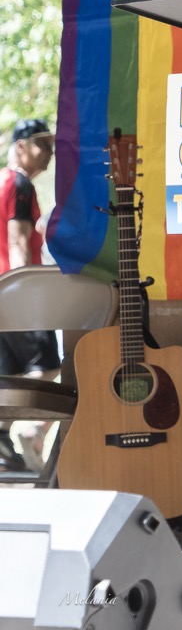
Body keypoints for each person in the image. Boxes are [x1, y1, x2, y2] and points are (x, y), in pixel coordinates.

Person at [0, 117, 60, 473]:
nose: (50, 151)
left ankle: (3, 437)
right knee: (49, 365)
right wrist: (24, 294)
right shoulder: (19, 184)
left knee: (10, 373)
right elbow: (18, 242)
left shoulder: (2, 181)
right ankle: (33, 430)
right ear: (20, 147)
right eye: (43, 144)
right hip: (14, 291)